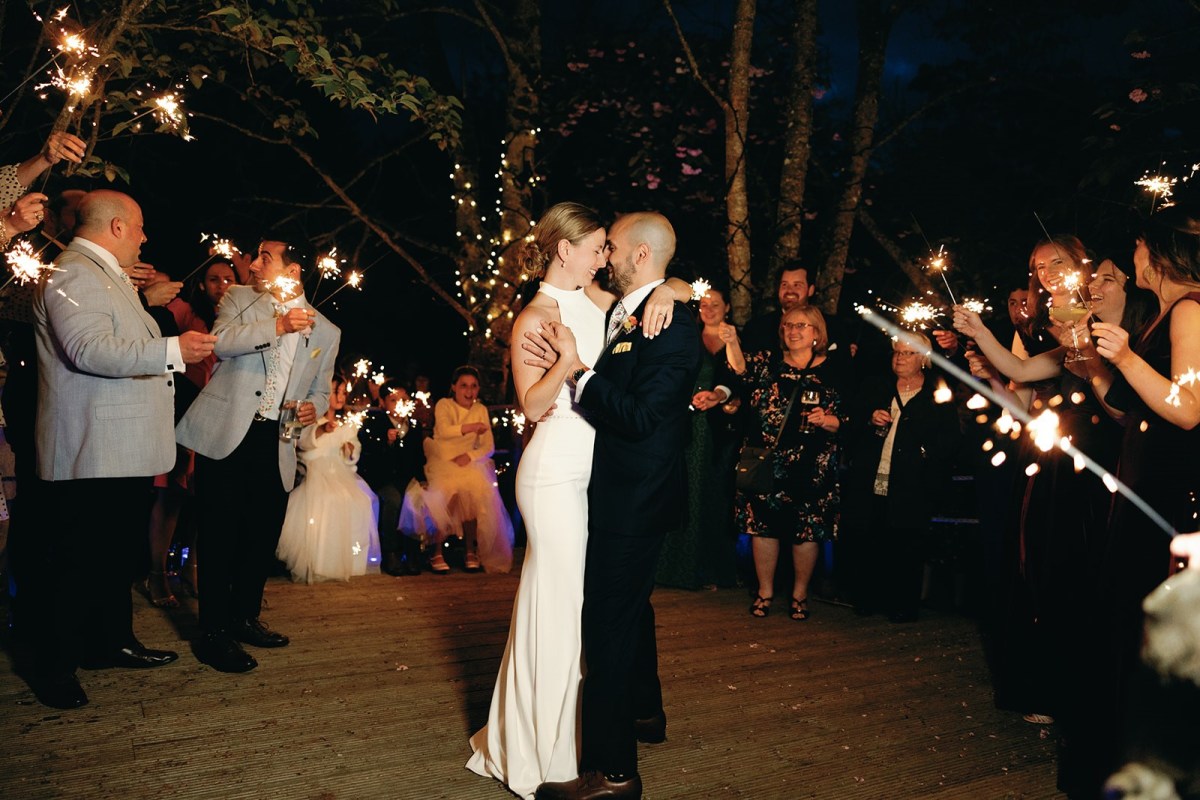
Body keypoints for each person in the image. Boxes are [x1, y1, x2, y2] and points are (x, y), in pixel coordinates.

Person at [467, 202, 691, 800]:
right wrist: (567, 361)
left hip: (604, 475)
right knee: (560, 605)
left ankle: (582, 740)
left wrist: (676, 285)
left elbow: (647, 292)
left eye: (609, 247)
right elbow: (531, 406)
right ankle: (544, 751)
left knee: (588, 610)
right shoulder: (536, 316)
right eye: (597, 247)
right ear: (565, 250)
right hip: (557, 472)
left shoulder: (601, 301)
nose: (606, 255)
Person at [16, 189, 216, 709]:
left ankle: (107, 643)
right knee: (75, 560)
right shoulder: (72, 272)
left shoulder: (104, 276)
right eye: (142, 226)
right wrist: (173, 349)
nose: (146, 236)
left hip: (119, 446)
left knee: (110, 557)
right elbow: (88, 349)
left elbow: (117, 333)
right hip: (91, 446)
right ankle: (53, 665)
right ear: (118, 227)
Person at [533, 210, 700, 800]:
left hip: (635, 496)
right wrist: (676, 287)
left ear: (641, 257)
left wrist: (577, 369)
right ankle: (644, 713)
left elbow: (642, 416)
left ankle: (613, 773)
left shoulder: (672, 321)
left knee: (606, 625)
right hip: (625, 490)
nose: (605, 258)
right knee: (632, 611)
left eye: (614, 249)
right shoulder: (633, 308)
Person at [175, 235, 340, 673]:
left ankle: (245, 618)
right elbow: (221, 342)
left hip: (280, 440)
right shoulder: (240, 298)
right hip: (230, 431)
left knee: (259, 535)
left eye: (265, 257)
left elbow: (322, 389)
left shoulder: (327, 330)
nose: (253, 263)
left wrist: (314, 408)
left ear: (292, 272)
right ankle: (212, 633)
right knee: (218, 534)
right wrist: (279, 327)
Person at [1084, 201, 1200, 793]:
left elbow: (1187, 408)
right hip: (1144, 485)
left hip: (1173, 495)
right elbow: (1136, 410)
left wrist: (1125, 355)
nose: (1132, 260)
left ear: (1156, 254)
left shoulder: (1190, 312)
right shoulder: (1164, 315)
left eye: (1136, 249)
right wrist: (1102, 366)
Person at [725, 305, 842, 623]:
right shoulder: (768, 363)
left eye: (801, 325)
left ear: (816, 332)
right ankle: (764, 592)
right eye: (788, 325)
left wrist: (829, 420)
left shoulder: (835, 369)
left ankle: (800, 595)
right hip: (766, 462)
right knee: (763, 529)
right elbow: (740, 370)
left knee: (806, 531)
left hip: (812, 464)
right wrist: (732, 341)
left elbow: (850, 417)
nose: (793, 330)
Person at [842, 332, 960, 622]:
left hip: (913, 482)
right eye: (897, 352)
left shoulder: (937, 390)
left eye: (908, 353)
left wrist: (923, 453)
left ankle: (903, 604)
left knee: (906, 543)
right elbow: (852, 420)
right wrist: (870, 418)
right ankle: (868, 599)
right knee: (871, 537)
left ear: (923, 358)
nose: (900, 358)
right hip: (873, 474)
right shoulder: (877, 384)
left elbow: (950, 438)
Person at [656, 281, 740, 590]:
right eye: (703, 304)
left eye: (715, 304)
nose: (708, 309)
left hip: (719, 431)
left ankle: (711, 570)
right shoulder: (688, 335)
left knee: (714, 496)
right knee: (683, 492)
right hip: (687, 424)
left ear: (727, 307)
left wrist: (720, 395)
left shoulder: (732, 338)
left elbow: (739, 376)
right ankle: (676, 569)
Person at [276, 375, 381, 582]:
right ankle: (320, 562)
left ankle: (349, 561)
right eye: (335, 391)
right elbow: (303, 443)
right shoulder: (310, 417)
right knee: (326, 500)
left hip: (340, 471)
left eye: (343, 392)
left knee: (360, 500)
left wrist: (350, 451)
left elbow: (353, 448)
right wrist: (322, 430)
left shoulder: (346, 424)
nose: (340, 396)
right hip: (315, 470)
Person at [420, 365, 514, 574]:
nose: (469, 392)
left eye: (473, 386)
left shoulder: (480, 410)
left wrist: (470, 456)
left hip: (467, 461)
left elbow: (488, 446)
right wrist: (471, 428)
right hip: (443, 458)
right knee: (447, 491)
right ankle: (436, 551)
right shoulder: (444, 405)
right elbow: (444, 431)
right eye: (463, 386)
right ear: (454, 387)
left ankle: (470, 550)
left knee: (475, 490)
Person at [357, 379, 425, 576]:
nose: (399, 404)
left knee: (415, 499)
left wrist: (421, 479)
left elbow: (418, 456)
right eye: (393, 400)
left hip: (406, 478)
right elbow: (370, 456)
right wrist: (386, 442)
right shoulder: (375, 422)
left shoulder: (413, 425)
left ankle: (412, 551)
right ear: (383, 403)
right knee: (393, 500)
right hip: (382, 478)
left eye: (403, 399)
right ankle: (391, 551)